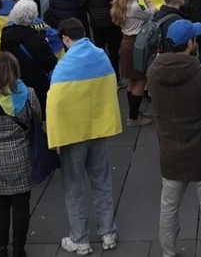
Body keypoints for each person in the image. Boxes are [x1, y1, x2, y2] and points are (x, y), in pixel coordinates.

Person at [148, 19, 201, 257]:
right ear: (190, 43)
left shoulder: (153, 72)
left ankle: (168, 252)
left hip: (171, 151)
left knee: (169, 207)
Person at [49, 18, 121, 255]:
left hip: (72, 135)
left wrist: (56, 137)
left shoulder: (64, 66)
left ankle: (80, 239)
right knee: (102, 182)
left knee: (73, 186)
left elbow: (55, 102)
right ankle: (108, 233)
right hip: (98, 129)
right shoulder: (101, 56)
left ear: (65, 39)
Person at [0, 52, 43, 257]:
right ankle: (19, 248)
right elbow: (37, 119)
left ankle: (1, 248)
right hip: (22, 156)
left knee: (0, 204)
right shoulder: (28, 94)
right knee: (21, 204)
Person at [110, 0, 156, 126]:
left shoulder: (122, 3)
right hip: (137, 44)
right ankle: (134, 118)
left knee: (132, 79)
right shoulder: (135, 6)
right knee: (141, 78)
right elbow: (153, 13)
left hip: (126, 42)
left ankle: (133, 112)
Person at [0, 0, 58, 109]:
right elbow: (51, 62)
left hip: (14, 83)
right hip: (36, 85)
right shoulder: (37, 40)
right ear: (33, 17)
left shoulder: (5, 34)